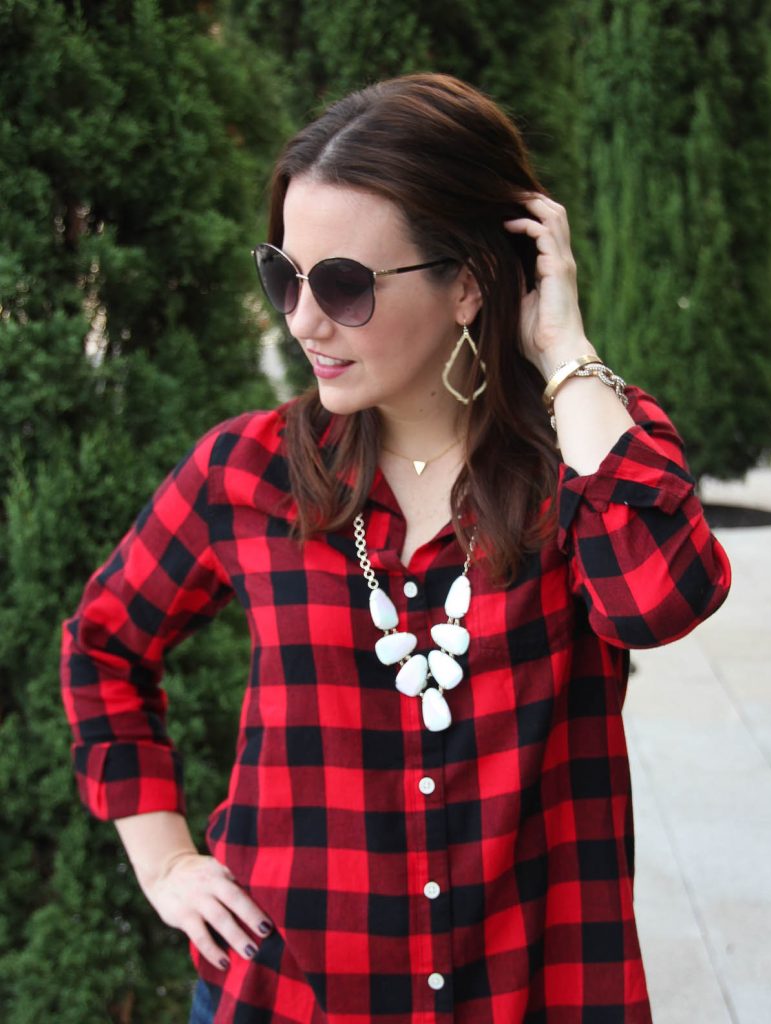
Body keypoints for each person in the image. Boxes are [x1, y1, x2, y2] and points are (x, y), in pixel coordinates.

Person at [61, 73, 731, 1024]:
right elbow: (102, 642)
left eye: (344, 284)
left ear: (468, 281)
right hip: (289, 995)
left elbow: (659, 601)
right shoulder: (247, 473)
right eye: (283, 275)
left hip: (535, 994)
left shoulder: (586, 461)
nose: (302, 319)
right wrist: (164, 857)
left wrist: (563, 349)